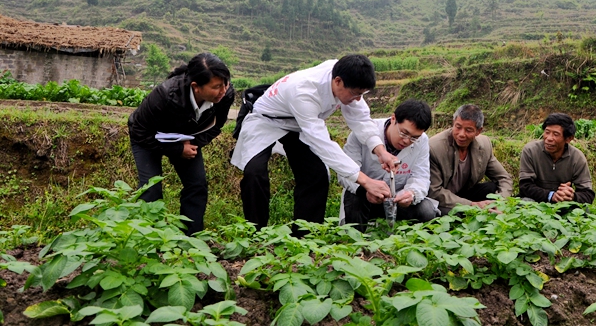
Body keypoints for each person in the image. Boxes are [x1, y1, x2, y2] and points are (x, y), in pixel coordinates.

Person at [231, 54, 395, 231]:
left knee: (317, 175)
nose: (357, 99)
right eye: (355, 94)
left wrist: (380, 151)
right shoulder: (304, 91)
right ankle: (256, 233)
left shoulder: (345, 75)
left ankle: (304, 235)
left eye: (361, 95)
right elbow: (322, 144)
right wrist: (365, 181)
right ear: (338, 81)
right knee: (254, 172)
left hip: (299, 125)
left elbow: (360, 119)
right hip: (267, 120)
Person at [128, 52, 235, 235]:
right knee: (151, 187)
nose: (223, 90)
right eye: (216, 86)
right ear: (196, 87)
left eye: (225, 83)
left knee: (197, 185)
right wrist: (177, 149)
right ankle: (148, 238)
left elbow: (216, 126)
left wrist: (191, 144)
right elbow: (138, 130)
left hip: (185, 137)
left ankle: (190, 238)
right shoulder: (165, 95)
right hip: (148, 137)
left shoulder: (225, 95)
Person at [339, 99, 439, 231]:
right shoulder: (363, 133)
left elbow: (421, 177)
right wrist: (366, 189)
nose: (406, 141)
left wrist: (411, 193)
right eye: (404, 133)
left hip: (397, 200)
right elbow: (345, 173)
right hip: (365, 197)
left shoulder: (422, 141)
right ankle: (355, 239)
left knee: (427, 210)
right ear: (393, 119)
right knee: (354, 198)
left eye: (414, 138)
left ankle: (413, 240)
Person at [428, 104, 513, 215]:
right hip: (444, 199)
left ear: (478, 131)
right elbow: (434, 191)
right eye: (458, 127)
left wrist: (501, 202)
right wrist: (471, 205)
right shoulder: (435, 147)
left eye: (468, 130)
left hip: (466, 193)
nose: (461, 134)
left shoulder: (484, 145)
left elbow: (504, 177)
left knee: (491, 188)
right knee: (454, 214)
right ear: (453, 123)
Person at [519, 113, 595, 204]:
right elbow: (525, 186)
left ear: (568, 139)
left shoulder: (577, 158)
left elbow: (588, 194)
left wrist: (572, 196)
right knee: (525, 202)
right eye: (547, 132)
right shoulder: (530, 151)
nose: (549, 138)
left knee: (585, 210)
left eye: (556, 134)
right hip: (537, 203)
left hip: (562, 204)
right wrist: (551, 196)